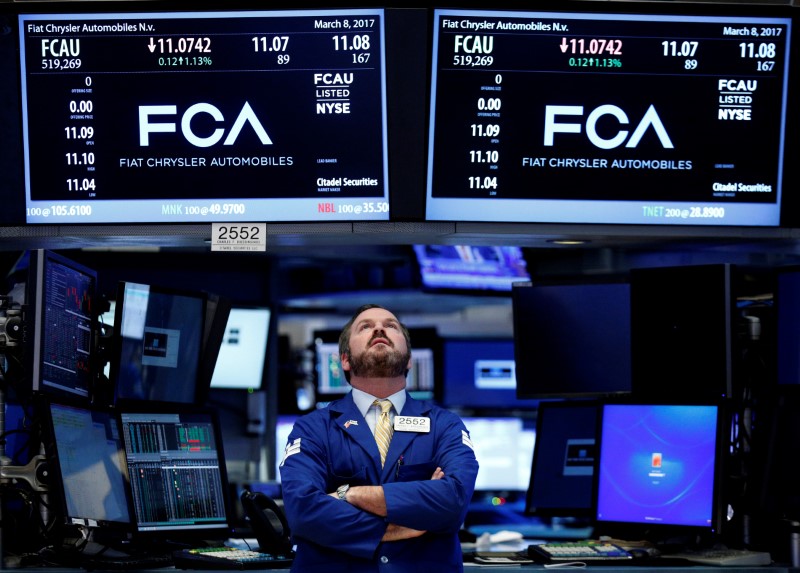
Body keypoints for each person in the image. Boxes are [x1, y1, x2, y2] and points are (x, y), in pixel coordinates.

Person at [279, 304, 479, 572]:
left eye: (391, 326)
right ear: (346, 360)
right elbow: (303, 511)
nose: (379, 328)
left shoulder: (444, 425)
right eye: (365, 327)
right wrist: (402, 525)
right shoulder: (312, 428)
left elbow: (453, 501)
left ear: (408, 359)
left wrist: (348, 494)